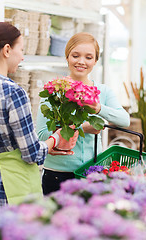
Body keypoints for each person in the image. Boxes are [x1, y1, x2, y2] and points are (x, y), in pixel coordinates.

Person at [0, 22, 78, 210]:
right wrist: (56, 139)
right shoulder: (13, 92)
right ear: (7, 50)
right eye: (20, 49)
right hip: (11, 188)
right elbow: (31, 153)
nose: (22, 57)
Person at [36, 32, 130, 195]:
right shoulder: (53, 91)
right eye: (75, 55)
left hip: (92, 173)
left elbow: (124, 120)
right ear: (67, 57)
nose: (81, 61)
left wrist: (99, 108)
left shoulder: (103, 92)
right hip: (57, 175)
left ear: (95, 61)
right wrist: (81, 128)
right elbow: (41, 135)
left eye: (88, 57)